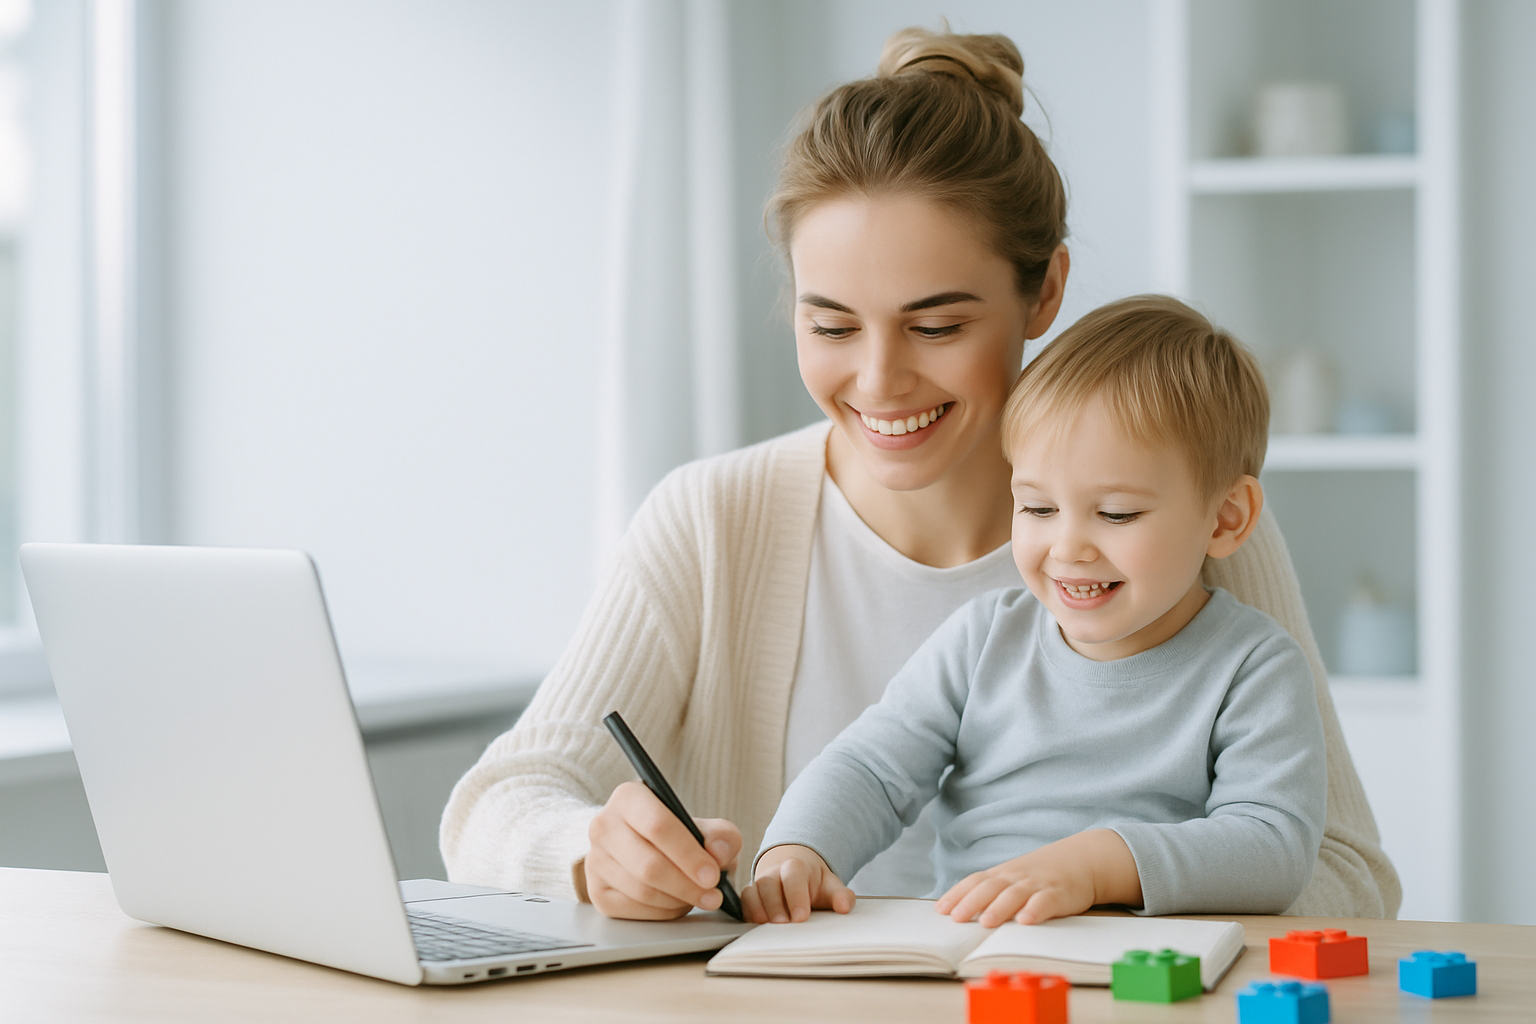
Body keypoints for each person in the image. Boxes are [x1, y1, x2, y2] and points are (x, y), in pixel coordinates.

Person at [439, 25, 1399, 921]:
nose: (879, 380)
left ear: (1045, 291)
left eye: (936, 325)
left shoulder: (1184, 519)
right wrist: (590, 854)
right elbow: (495, 804)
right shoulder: (713, 520)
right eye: (832, 325)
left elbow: (1348, 871)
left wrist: (1101, 901)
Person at [744, 296, 1325, 927]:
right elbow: (872, 769)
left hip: (1148, 970)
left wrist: (1096, 864)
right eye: (1038, 508)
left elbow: (1272, 846)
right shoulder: (982, 640)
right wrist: (799, 848)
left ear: (1227, 517)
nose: (1068, 548)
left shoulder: (1254, 668)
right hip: (977, 954)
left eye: (1116, 513)